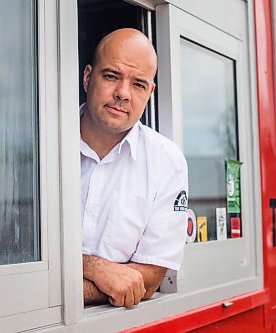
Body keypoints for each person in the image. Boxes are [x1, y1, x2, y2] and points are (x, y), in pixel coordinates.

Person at [80, 28, 188, 308]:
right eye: (111, 76)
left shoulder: (166, 162)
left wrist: (65, 282)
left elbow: (149, 279)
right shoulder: (43, 144)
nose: (122, 94)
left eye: (138, 84)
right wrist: (94, 268)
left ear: (150, 92)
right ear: (88, 77)